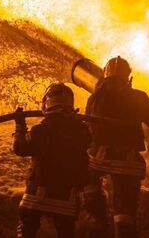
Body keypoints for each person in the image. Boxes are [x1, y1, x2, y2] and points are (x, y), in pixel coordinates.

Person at [84, 56, 149, 238]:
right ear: (127, 76)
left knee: (89, 182)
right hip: (128, 161)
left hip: (99, 159)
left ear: (105, 75)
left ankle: (98, 222)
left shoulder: (94, 98)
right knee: (125, 211)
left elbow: (90, 129)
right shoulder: (137, 96)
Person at [14, 82, 91, 238]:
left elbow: (20, 149)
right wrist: (75, 121)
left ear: (46, 104)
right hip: (66, 197)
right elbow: (86, 142)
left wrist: (20, 126)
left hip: (36, 194)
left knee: (27, 230)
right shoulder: (82, 131)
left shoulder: (38, 131)